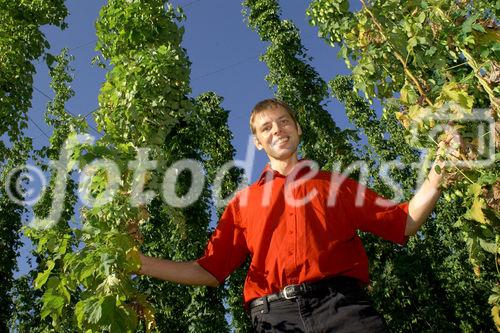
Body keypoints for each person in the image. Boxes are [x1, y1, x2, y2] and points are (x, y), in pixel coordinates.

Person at [138, 98, 453, 332]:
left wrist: (438, 171)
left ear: (298, 129)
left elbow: (404, 222)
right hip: (275, 318)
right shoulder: (243, 204)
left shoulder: (336, 185)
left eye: (284, 121)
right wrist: (137, 262)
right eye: (266, 127)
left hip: (342, 308)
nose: (277, 129)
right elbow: (208, 270)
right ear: (258, 142)